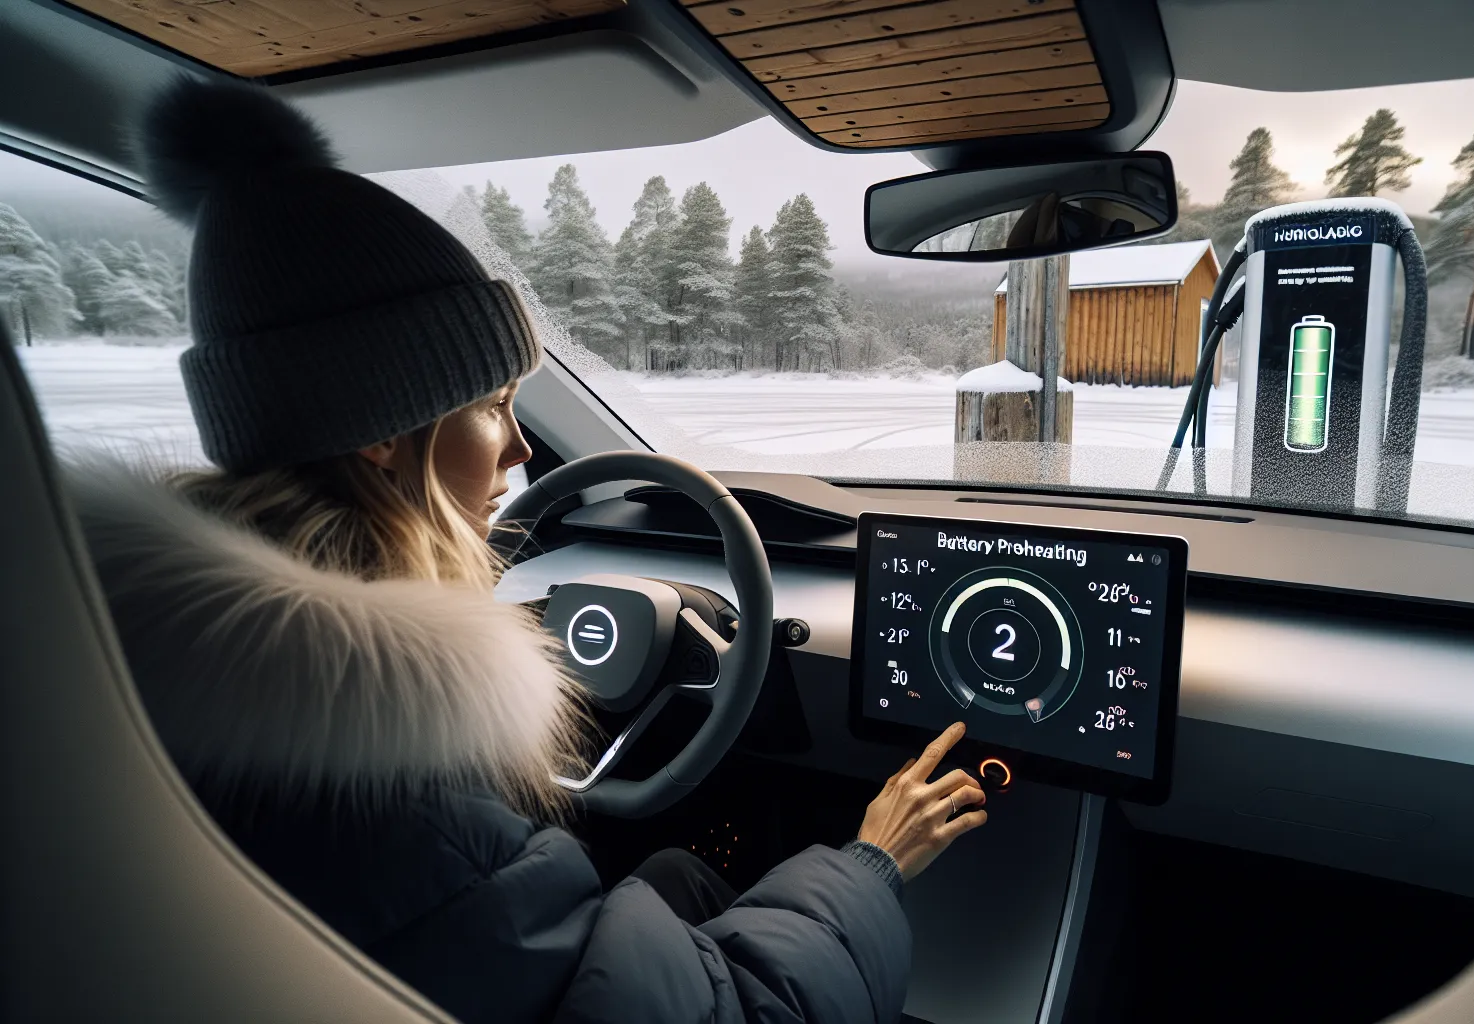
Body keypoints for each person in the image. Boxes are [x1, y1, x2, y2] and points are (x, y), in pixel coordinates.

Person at [66, 77, 988, 1024]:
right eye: (492, 406)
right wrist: (873, 862)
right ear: (382, 430)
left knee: (672, 872)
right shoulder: (395, 808)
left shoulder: (108, 655)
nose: (520, 450)